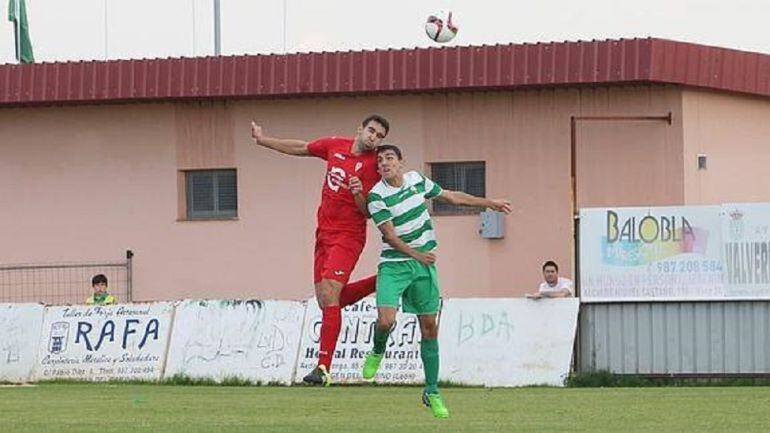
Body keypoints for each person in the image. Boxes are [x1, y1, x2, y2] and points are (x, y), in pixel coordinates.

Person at [358, 144, 512, 419]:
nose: (384, 163)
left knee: (430, 328)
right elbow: (390, 237)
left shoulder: (417, 180)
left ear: (401, 162)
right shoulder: (376, 196)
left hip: (423, 266)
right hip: (394, 265)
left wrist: (487, 203)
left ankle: (432, 391)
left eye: (389, 158)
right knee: (385, 321)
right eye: (379, 160)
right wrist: (418, 254)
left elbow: (451, 196)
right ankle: (377, 349)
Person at [250, 115, 389, 386]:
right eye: (371, 131)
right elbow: (301, 147)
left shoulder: (374, 164)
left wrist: (359, 193)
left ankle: (323, 368)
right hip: (323, 233)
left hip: (349, 235)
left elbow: (367, 213)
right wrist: (263, 140)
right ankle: (381, 279)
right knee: (329, 299)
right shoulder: (335, 145)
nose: (374, 137)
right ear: (360, 129)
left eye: (379, 135)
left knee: (329, 293)